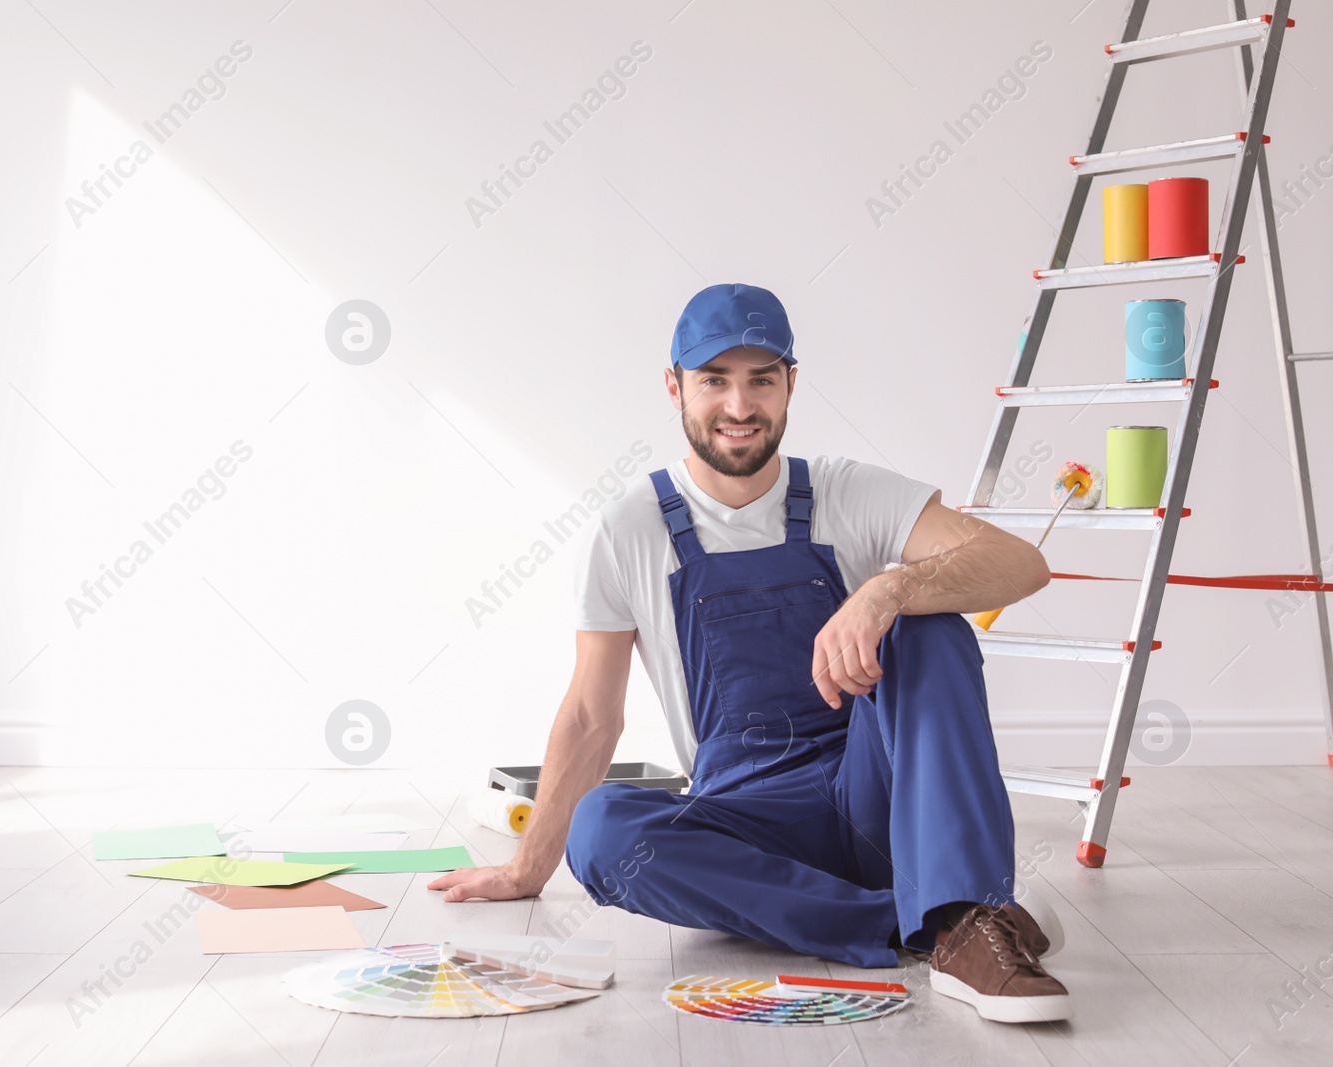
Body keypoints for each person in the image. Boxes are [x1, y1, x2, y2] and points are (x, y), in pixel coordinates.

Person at [428, 283, 1071, 1023]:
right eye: (714, 380)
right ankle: (925, 921)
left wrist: (887, 590)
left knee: (931, 625)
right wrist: (525, 867)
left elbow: (1020, 565)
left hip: (876, 796)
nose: (739, 406)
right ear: (674, 387)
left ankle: (962, 912)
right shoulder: (630, 528)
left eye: (761, 379)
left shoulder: (846, 491)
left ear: (791, 384)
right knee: (602, 827)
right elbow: (588, 715)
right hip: (749, 828)